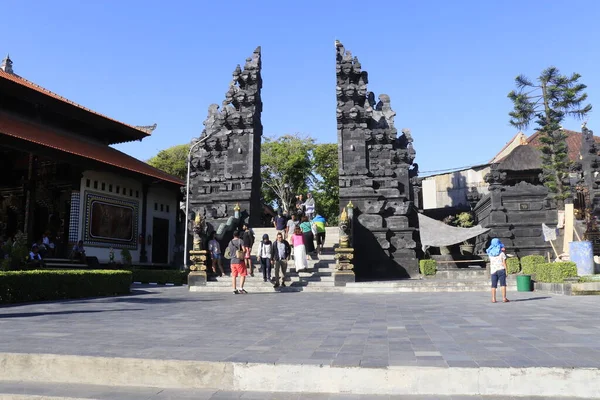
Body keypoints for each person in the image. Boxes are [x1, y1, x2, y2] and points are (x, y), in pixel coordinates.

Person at [487, 238, 509, 303]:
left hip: (493, 270)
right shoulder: (501, 253)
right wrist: (506, 270)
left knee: (493, 285)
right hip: (501, 269)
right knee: (503, 284)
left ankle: (493, 298)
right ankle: (504, 298)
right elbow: (504, 263)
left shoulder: (490, 253)